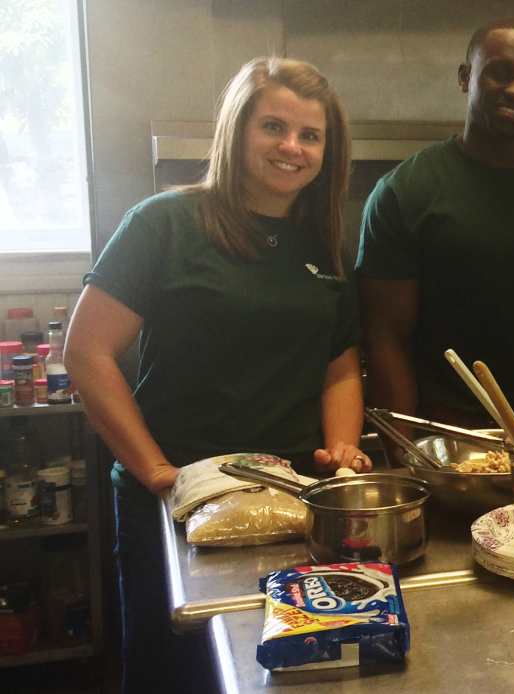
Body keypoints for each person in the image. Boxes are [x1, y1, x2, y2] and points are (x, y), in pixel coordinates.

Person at [64, 57, 368, 694]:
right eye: (274, 127)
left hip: (287, 503)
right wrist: (155, 473)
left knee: (279, 672)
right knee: (172, 673)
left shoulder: (324, 247)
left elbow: (339, 367)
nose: (292, 147)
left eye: (310, 136)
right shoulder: (164, 224)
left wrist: (340, 450)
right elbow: (88, 353)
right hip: (175, 500)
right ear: (237, 129)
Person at [357, 18, 514, 439]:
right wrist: (407, 453)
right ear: (466, 77)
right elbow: (387, 338)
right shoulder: (405, 193)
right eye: (499, 72)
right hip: (444, 431)